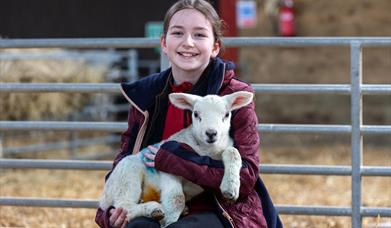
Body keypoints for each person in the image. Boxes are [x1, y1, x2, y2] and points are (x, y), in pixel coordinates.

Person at [95, 0, 282, 227]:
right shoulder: (145, 96)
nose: (188, 42)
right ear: (164, 42)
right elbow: (123, 164)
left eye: (200, 35)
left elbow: (246, 176)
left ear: (215, 46)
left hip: (220, 209)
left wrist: (178, 159)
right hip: (155, 198)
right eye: (178, 33)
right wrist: (111, 215)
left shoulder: (232, 96)